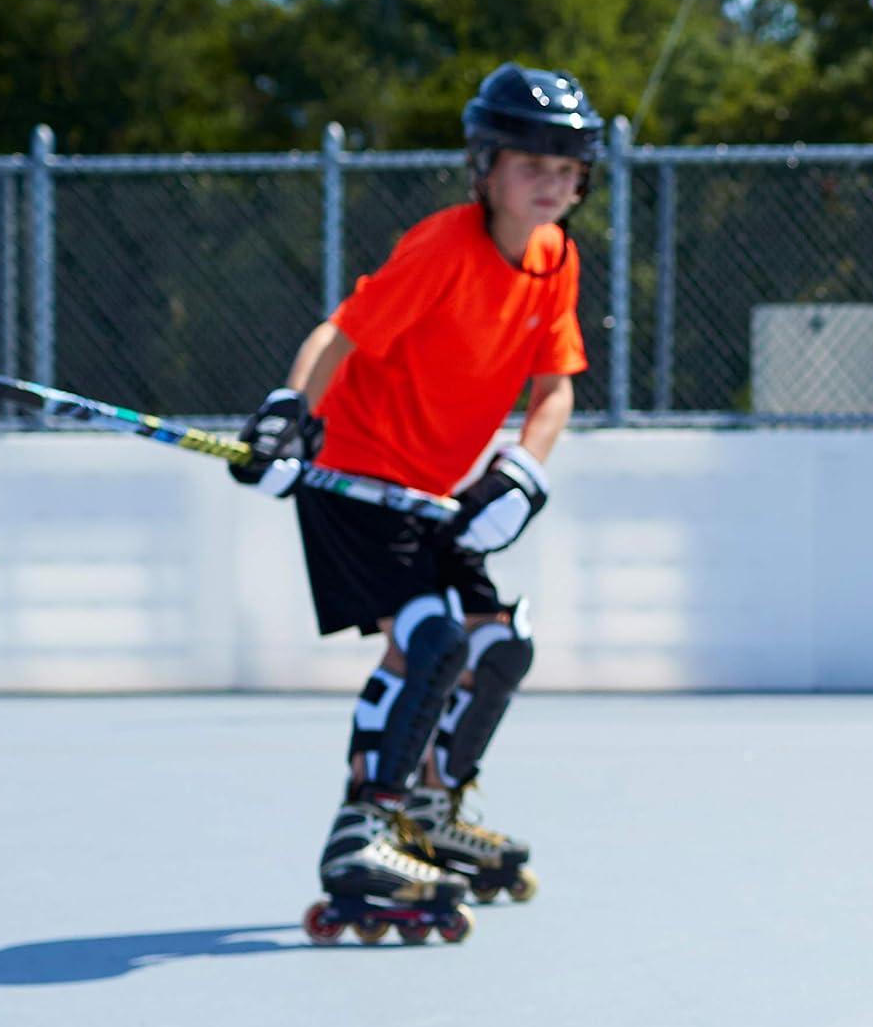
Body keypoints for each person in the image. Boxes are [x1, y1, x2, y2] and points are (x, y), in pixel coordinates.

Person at [229, 62, 602, 943]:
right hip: (357, 476)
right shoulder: (444, 247)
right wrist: (291, 417)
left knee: (500, 644)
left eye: (567, 168)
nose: (550, 181)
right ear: (485, 167)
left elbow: (555, 392)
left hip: (433, 493)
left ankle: (431, 809)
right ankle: (365, 829)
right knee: (430, 634)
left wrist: (521, 475)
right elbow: (341, 334)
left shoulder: (555, 260)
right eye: (530, 163)